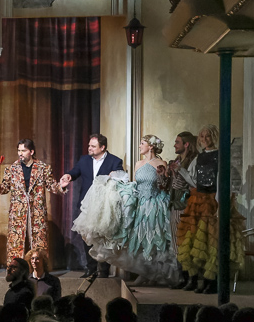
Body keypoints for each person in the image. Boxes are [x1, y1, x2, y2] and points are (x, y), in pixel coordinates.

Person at [72, 135, 180, 285]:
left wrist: (164, 177)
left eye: (142, 143)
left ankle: (158, 274)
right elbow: (135, 184)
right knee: (140, 240)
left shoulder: (161, 163)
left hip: (155, 204)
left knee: (155, 238)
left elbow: (164, 186)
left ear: (151, 146)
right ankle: (146, 273)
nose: (139, 146)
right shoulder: (138, 163)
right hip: (140, 204)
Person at [176, 125, 244, 294]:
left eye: (208, 136)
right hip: (198, 201)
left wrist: (221, 204)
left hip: (212, 201)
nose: (205, 139)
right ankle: (196, 279)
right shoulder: (198, 158)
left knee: (211, 242)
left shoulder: (220, 156)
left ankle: (211, 281)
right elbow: (194, 181)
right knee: (193, 240)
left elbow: (224, 181)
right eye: (202, 136)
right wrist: (181, 171)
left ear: (214, 137)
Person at [59, 133, 124, 278]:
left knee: (104, 237)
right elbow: (75, 171)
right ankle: (91, 268)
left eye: (93, 146)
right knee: (87, 236)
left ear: (103, 147)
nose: (89, 148)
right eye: (89, 145)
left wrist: (115, 176)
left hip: (105, 205)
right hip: (87, 204)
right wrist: (69, 176)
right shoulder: (84, 160)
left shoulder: (114, 161)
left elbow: (121, 179)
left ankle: (104, 270)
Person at [0, 138, 65, 264]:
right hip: (18, 213)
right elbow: (4, 188)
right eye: (19, 151)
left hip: (37, 211)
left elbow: (52, 186)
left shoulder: (43, 168)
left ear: (31, 152)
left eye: (23, 151)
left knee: (38, 242)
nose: (20, 153)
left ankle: (39, 269)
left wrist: (61, 186)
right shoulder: (12, 169)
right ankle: (16, 268)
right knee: (17, 242)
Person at [167, 131, 198, 289]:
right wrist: (164, 175)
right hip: (174, 204)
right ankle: (182, 277)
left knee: (186, 242)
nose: (174, 145)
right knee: (176, 243)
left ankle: (191, 278)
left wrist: (178, 171)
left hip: (185, 205)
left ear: (186, 144)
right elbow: (170, 186)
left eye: (177, 142)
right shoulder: (177, 161)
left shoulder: (192, 161)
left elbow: (188, 184)